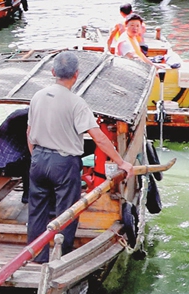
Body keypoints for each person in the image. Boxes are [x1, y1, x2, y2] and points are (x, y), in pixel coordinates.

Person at [27, 51, 133, 263]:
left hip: (38, 159)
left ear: (53, 72)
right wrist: (121, 162)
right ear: (77, 74)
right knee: (67, 212)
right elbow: (99, 139)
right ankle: (60, 259)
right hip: (64, 163)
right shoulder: (76, 103)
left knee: (36, 211)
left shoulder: (37, 97)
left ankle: (38, 258)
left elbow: (29, 132)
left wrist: (36, 157)